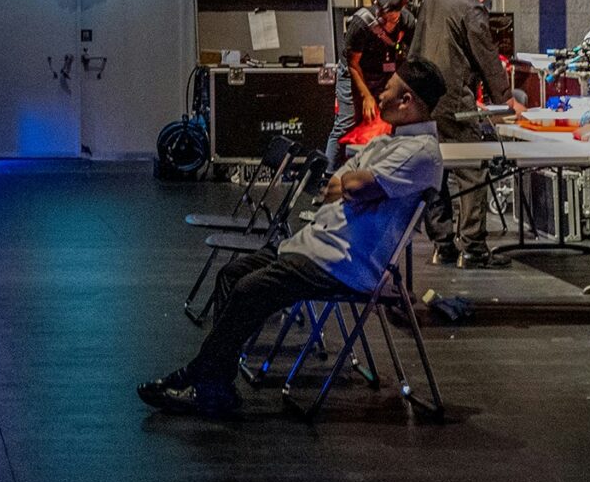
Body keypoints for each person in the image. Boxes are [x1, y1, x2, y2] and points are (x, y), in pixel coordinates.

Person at [138, 59, 447, 417]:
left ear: (407, 99)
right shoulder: (388, 144)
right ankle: (214, 384)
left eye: (387, 91)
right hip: (315, 246)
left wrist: (353, 184)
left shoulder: (420, 152)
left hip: (343, 262)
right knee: (232, 276)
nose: (379, 95)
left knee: (250, 290)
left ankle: (199, 377)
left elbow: (355, 184)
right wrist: (351, 185)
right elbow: (335, 183)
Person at [412, 0, 524, 268]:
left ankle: (444, 245)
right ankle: (473, 249)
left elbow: (415, 51)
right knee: (472, 171)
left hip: (424, 102)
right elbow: (487, 56)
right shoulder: (470, 8)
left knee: (435, 173)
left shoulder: (432, 0)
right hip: (456, 104)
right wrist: (504, 99)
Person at [340, 0, 413, 144]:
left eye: (394, 19)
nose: (390, 25)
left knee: (386, 120)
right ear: (378, 13)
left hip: (384, 72)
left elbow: (412, 56)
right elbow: (353, 64)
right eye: (386, 20)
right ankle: (332, 168)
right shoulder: (361, 24)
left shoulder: (407, 21)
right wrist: (366, 96)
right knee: (346, 123)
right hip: (355, 70)